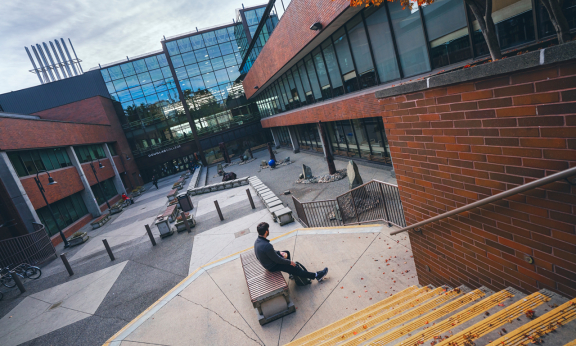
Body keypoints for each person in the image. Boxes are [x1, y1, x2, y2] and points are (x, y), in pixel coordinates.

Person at [254, 222, 328, 282]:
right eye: (268, 229)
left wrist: (279, 252)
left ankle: (291, 273)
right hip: (272, 266)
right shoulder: (267, 246)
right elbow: (277, 260)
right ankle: (316, 276)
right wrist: (289, 262)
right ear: (266, 231)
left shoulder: (257, 242)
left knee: (286, 252)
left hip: (267, 263)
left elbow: (268, 253)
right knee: (295, 267)